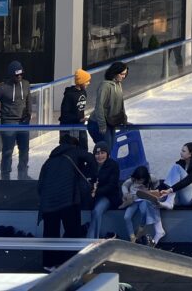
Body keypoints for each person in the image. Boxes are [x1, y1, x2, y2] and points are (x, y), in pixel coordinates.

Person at [37, 134, 96, 268]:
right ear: (74, 145)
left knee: (50, 233)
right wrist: (91, 175)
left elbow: (40, 185)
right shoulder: (74, 151)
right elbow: (91, 158)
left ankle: (49, 264)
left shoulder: (48, 161)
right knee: (72, 230)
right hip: (68, 199)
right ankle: (69, 261)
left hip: (48, 202)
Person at [0, 61, 32, 180]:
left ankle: (23, 174)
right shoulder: (2, 88)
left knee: (24, 149)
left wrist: (29, 115)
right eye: (16, 75)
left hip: (23, 123)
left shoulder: (26, 84)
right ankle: (5, 176)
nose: (19, 77)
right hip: (8, 123)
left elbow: (28, 101)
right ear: (11, 74)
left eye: (21, 74)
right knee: (8, 151)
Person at [88, 62, 128, 151]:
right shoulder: (105, 86)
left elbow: (121, 104)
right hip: (97, 123)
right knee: (105, 150)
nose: (124, 76)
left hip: (110, 122)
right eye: (122, 74)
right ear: (114, 72)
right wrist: (102, 125)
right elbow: (99, 106)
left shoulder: (118, 85)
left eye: (125, 74)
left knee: (111, 149)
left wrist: (124, 120)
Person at [121, 165, 164, 245]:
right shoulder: (132, 179)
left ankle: (140, 229)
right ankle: (132, 237)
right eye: (137, 180)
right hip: (133, 200)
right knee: (126, 216)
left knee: (144, 211)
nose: (139, 182)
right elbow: (124, 185)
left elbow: (157, 182)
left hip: (144, 199)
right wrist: (126, 194)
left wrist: (152, 190)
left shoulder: (151, 178)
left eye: (141, 180)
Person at [158, 141, 192, 206]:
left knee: (177, 167)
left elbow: (187, 181)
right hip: (180, 198)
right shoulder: (181, 163)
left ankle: (170, 201)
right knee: (176, 168)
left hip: (191, 199)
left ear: (190, 154)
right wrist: (157, 190)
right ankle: (170, 200)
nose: (181, 153)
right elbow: (170, 180)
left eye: (183, 151)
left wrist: (170, 190)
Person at [88, 141, 122, 239]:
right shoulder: (91, 165)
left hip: (108, 197)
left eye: (103, 153)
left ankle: (90, 241)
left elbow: (112, 185)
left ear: (108, 154)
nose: (100, 156)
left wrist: (96, 191)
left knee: (96, 211)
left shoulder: (113, 165)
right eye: (97, 154)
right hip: (93, 196)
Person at [59, 69, 91, 148]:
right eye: (86, 81)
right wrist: (78, 119)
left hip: (80, 125)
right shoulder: (69, 95)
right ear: (81, 82)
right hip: (69, 127)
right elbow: (64, 114)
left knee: (83, 148)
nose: (88, 83)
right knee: (72, 150)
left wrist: (81, 120)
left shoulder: (83, 92)